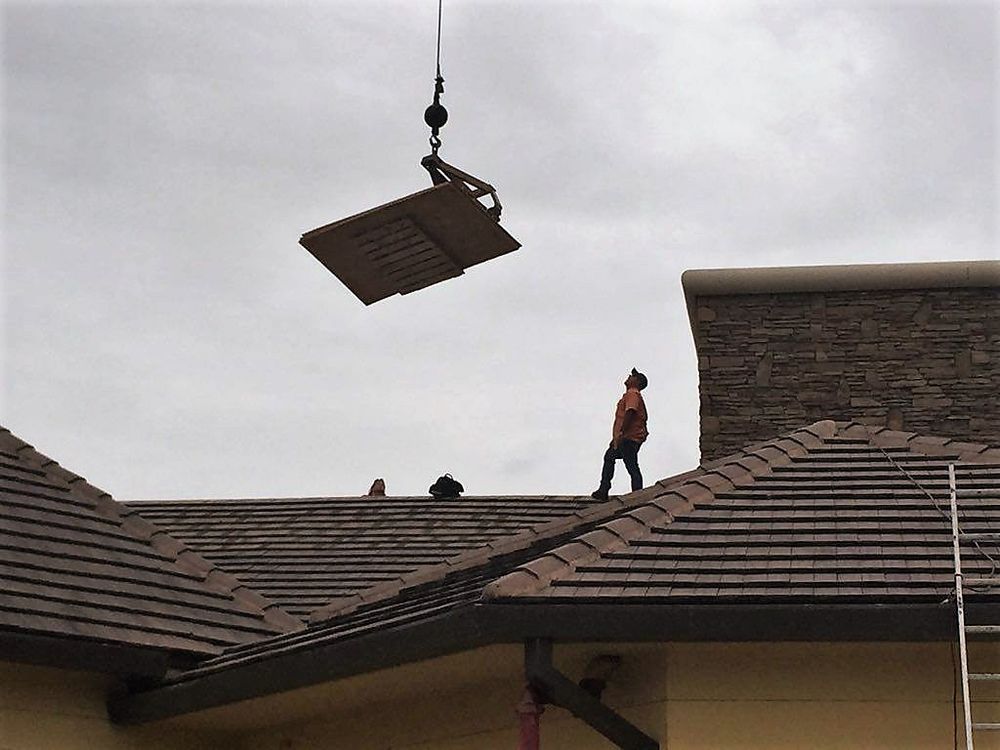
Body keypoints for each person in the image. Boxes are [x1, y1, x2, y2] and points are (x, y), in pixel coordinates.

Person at [591, 368, 648, 500]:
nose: (629, 376)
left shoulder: (633, 394)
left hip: (628, 438)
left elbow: (630, 411)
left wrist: (622, 432)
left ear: (637, 381)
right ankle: (604, 489)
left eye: (632, 376)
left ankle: (637, 494)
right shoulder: (631, 394)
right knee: (611, 457)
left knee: (631, 465)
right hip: (625, 437)